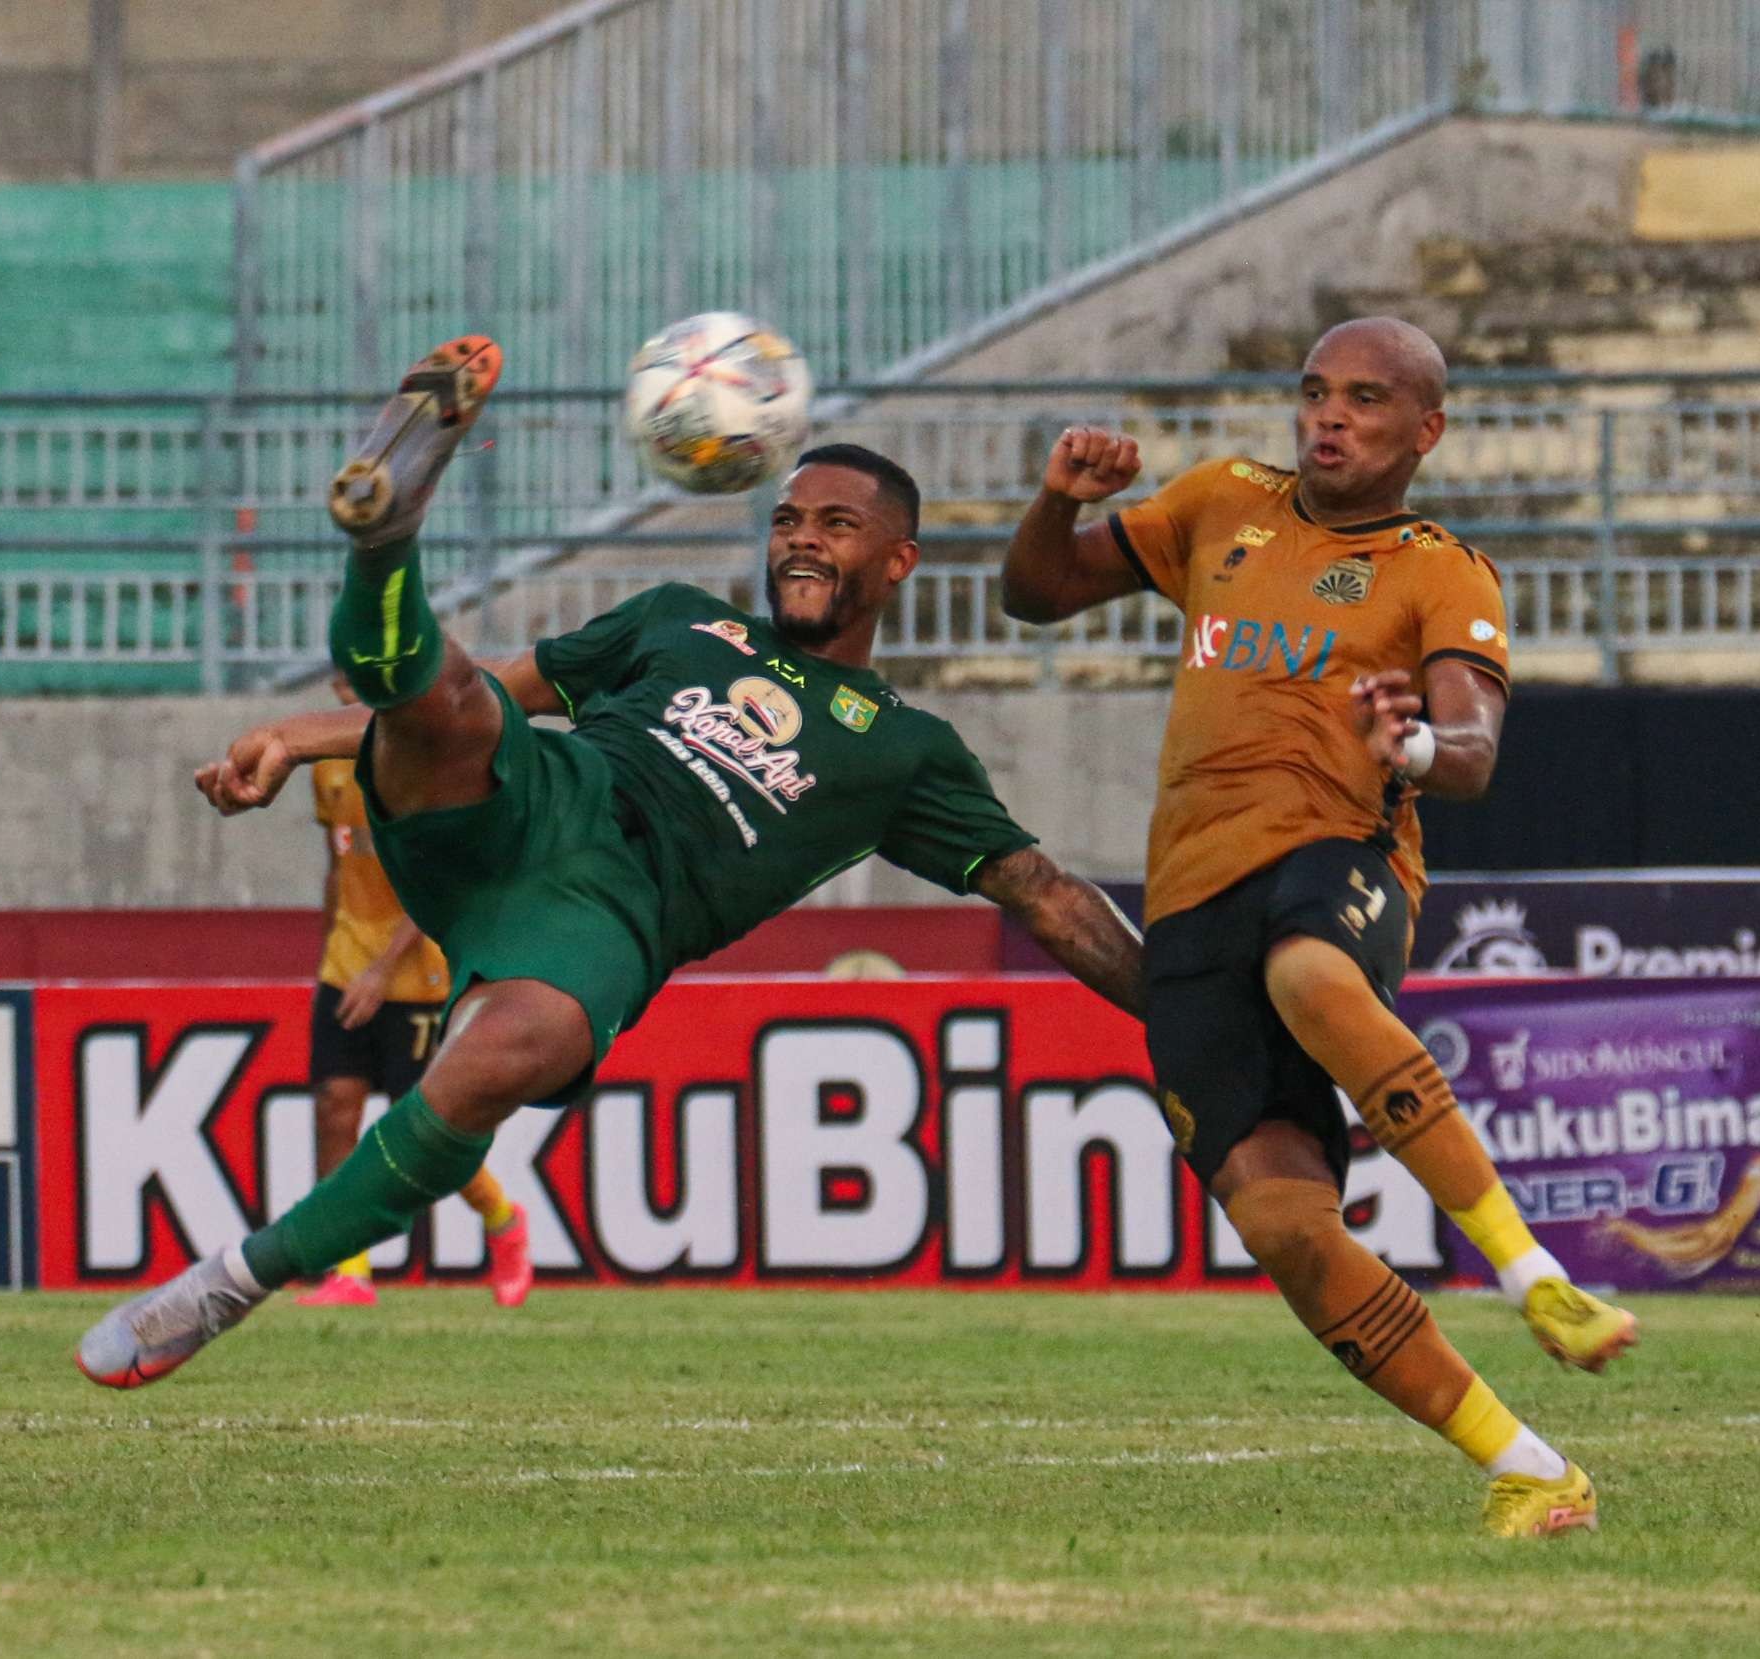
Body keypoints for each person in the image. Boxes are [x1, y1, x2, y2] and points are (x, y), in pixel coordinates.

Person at [79, 336, 1146, 1390]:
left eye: (836, 525)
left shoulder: (904, 747)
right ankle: (384, 535)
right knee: (449, 696)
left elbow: (1041, 896)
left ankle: (225, 1285)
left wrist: (1179, 1010)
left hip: (615, 915)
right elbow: (501, 687)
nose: (801, 543)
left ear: (899, 560)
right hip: (544, 800)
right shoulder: (679, 621)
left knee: (492, 1066)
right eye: (785, 521)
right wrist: (296, 735)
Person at [997, 317, 1630, 1538]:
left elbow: (1475, 752)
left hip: (1337, 859)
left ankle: (1533, 1272)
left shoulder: (1442, 569)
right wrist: (1053, 500)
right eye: (1315, 393)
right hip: (1186, 899)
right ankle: (1529, 1466)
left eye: (1366, 400)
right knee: (1287, 1232)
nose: (1329, 417)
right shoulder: (1219, 502)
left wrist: (1414, 747)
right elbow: (1036, 593)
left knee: (1309, 972)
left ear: (1424, 431)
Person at [286, 684, 532, 1308]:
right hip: (346, 963)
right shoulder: (328, 765)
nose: (347, 682)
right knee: (334, 1107)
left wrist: (380, 969)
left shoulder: (425, 760)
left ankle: (502, 1219)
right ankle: (351, 1270)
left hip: (416, 969)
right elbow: (338, 868)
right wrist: (332, 956)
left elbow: (438, 883)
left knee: (422, 1127)